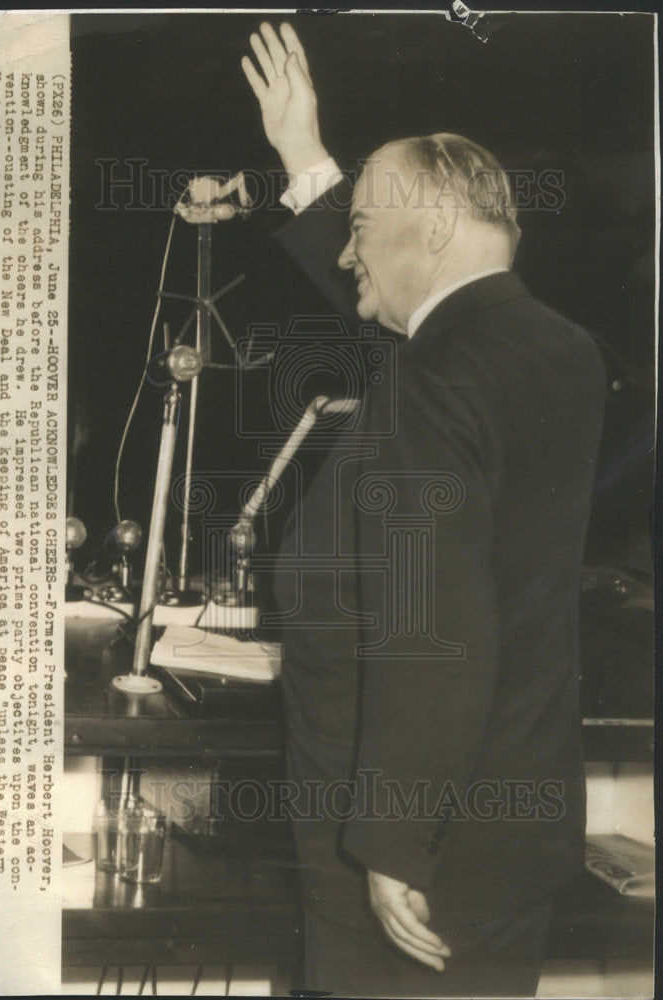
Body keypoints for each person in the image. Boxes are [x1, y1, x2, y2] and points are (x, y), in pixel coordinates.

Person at [242, 22, 606, 998]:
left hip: (408, 856)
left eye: (363, 224)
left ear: (434, 230)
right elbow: (404, 320)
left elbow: (432, 623)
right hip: (500, 830)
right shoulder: (557, 350)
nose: (352, 252)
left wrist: (393, 843)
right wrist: (307, 161)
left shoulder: (428, 380)